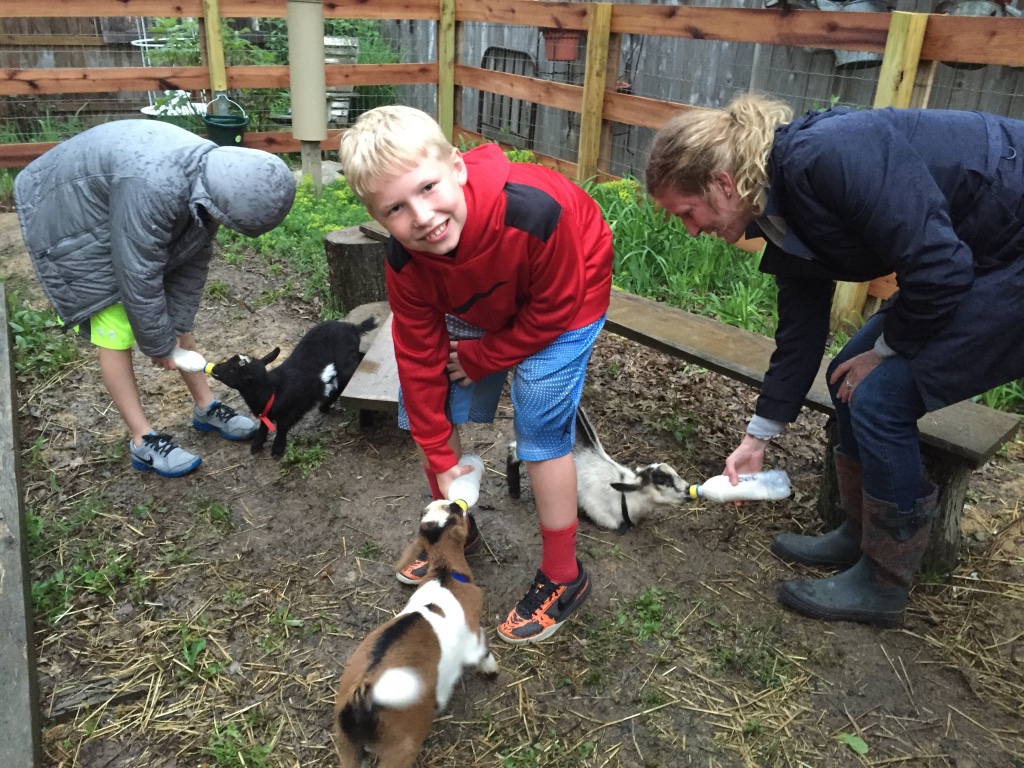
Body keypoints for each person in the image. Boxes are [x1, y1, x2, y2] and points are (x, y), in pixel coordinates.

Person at [644, 95, 1024, 627]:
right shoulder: (777, 206)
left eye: (688, 212)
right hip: (977, 250)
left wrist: (888, 352)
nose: (690, 228)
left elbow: (939, 269)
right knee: (846, 371)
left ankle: (884, 580)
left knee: (880, 395)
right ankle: (861, 532)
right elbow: (801, 333)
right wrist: (758, 437)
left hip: (1006, 250)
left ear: (723, 184)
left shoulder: (828, 158)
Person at [339, 106, 614, 644]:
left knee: (539, 422)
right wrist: (442, 463)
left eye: (428, 188)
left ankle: (564, 575)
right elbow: (418, 361)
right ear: (377, 217)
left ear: (458, 167)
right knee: (432, 401)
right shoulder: (408, 263)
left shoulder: (535, 212)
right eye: (396, 208)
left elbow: (553, 310)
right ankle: (454, 529)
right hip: (476, 293)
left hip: (567, 294)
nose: (422, 216)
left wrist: (484, 356)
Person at [15, 119, 296, 478]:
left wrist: (175, 327)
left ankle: (206, 406)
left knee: (175, 320)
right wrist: (158, 345)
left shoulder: (213, 180)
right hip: (71, 209)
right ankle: (142, 439)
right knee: (114, 327)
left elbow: (191, 263)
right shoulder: (152, 187)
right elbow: (136, 272)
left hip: (123, 200)